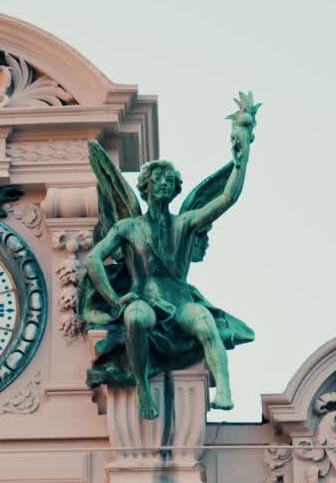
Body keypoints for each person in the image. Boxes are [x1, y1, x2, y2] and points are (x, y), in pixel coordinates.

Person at [80, 93, 260, 418]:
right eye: (156, 179)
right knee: (135, 318)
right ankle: (143, 388)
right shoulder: (127, 226)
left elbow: (227, 197)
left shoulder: (186, 223)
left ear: (176, 188)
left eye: (169, 180)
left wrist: (241, 158)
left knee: (206, 322)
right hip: (144, 301)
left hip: (180, 303)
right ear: (145, 187)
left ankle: (225, 391)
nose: (163, 184)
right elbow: (93, 260)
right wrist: (116, 299)